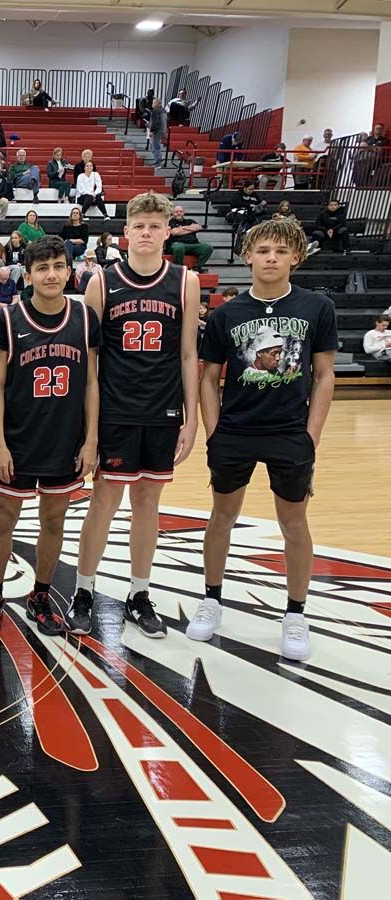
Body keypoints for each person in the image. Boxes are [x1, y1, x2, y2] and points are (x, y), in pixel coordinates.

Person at [191, 219, 337, 661]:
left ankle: (295, 614)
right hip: (235, 431)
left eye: (280, 250)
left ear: (296, 257)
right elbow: (209, 378)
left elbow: (325, 375)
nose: (270, 257)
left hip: (290, 433)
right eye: (262, 250)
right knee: (222, 517)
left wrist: (311, 435)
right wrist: (214, 431)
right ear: (248, 256)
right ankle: (212, 600)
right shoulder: (226, 314)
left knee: (293, 524)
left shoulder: (317, 306)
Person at [70, 192, 200, 638]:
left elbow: (187, 354)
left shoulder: (185, 281)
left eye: (154, 226)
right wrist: (88, 426)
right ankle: (84, 589)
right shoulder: (101, 282)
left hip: (163, 410)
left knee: (148, 503)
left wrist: (192, 416)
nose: (146, 233)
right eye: (138, 225)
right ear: (125, 233)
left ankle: (139, 593)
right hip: (115, 410)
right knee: (104, 502)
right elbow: (89, 362)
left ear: (168, 232)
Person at [0, 235, 99, 634]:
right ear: (28, 274)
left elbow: (91, 384)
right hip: (18, 441)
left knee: (53, 521)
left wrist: (91, 440)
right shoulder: (8, 320)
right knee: (4, 520)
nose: (51, 275)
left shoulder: (85, 319)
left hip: (65, 441)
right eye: (42, 268)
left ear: (69, 271)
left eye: (58, 267)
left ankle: (41, 595)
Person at [167, 205, 213, 272]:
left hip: (193, 244)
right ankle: (179, 269)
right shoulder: (171, 222)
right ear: (173, 213)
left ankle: (196, 269)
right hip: (178, 244)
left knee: (208, 247)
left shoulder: (190, 220)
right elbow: (175, 232)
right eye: (176, 212)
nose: (179, 213)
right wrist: (190, 229)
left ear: (183, 213)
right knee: (178, 248)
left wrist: (181, 228)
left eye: (180, 211)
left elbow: (197, 227)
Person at [147, 97, 167, 168]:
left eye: (153, 102)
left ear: (157, 103)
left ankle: (157, 162)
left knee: (155, 146)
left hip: (156, 131)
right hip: (161, 131)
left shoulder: (156, 111)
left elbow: (155, 122)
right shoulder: (163, 110)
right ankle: (159, 158)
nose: (152, 104)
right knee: (154, 146)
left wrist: (151, 131)